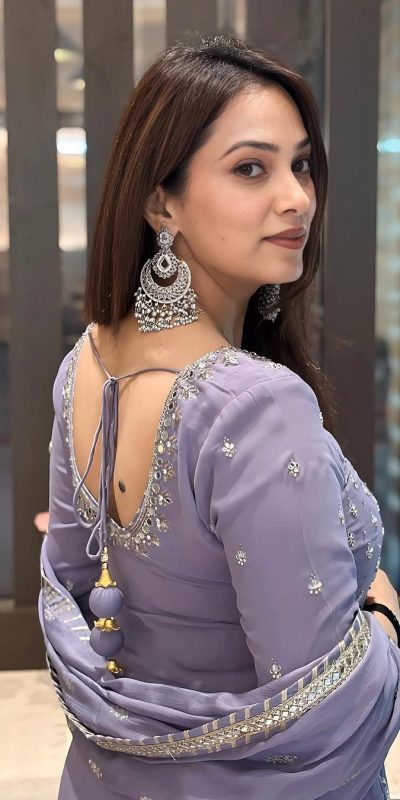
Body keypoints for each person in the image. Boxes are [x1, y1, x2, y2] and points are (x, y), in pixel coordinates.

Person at [38, 34, 400, 800]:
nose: (297, 197)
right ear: (160, 202)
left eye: (302, 164)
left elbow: (75, 603)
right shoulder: (253, 405)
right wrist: (384, 615)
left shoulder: (89, 361)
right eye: (251, 168)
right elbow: (320, 719)